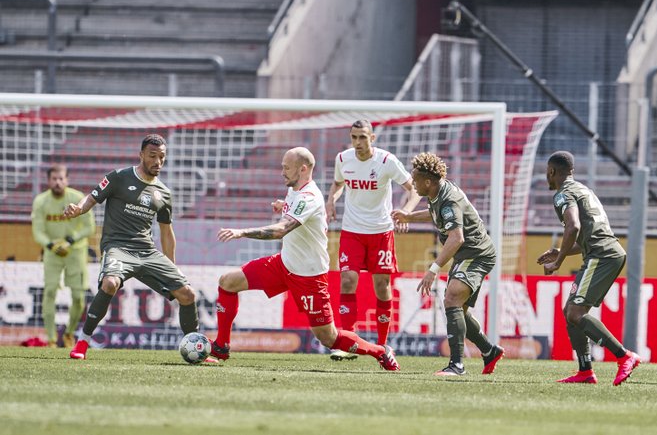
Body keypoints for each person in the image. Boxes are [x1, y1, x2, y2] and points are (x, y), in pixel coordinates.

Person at [210, 147, 400, 371]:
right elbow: (297, 211)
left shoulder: (309, 197)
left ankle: (380, 351)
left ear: (302, 169)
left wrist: (242, 232)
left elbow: (281, 230)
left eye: (286, 168)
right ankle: (220, 346)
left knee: (329, 338)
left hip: (309, 277)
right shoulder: (295, 190)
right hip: (283, 264)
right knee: (228, 282)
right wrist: (285, 205)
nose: (282, 172)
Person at [64, 134, 202, 360]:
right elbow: (92, 196)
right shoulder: (119, 177)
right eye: (152, 156)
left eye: (162, 157)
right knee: (110, 283)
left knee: (187, 294)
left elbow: (167, 232)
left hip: (147, 252)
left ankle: (196, 348)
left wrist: (171, 268)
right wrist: (79, 209)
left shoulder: (164, 193)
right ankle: (83, 342)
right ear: (141, 155)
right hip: (118, 247)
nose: (158, 162)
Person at [391, 152, 504, 376]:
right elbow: (436, 213)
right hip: (466, 254)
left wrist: (433, 270)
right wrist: (409, 216)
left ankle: (457, 365)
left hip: (476, 253)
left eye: (415, 180)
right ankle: (488, 351)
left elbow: (456, 237)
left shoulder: (448, 200)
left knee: (451, 297)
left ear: (427, 182)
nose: (413, 184)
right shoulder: (437, 192)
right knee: (458, 308)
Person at [537, 151, 640, 385]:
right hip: (604, 251)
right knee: (570, 311)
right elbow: (588, 235)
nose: (547, 176)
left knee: (575, 312)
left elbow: (572, 226)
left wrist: (558, 261)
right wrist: (559, 251)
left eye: (547, 172)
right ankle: (585, 371)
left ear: (552, 171)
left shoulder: (563, 194)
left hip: (601, 255)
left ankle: (624, 356)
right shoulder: (583, 189)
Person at [325, 119, 421, 361]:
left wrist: (407, 211)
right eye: (354, 137)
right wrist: (331, 200)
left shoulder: (386, 161)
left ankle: (382, 346)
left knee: (381, 286)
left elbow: (414, 189)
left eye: (362, 137)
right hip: (352, 231)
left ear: (372, 138)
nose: (357, 143)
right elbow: (338, 183)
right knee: (347, 281)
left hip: (381, 232)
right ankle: (348, 342)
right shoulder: (343, 159)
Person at [31, 164, 95, 349]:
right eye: (54, 179)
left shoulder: (77, 199)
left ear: (67, 180)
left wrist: (70, 240)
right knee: (49, 291)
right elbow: (38, 232)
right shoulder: (40, 202)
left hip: (75, 252)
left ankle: (68, 334)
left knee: (78, 296)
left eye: (61, 179)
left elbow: (89, 228)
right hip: (52, 253)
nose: (58, 182)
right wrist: (51, 245)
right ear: (48, 180)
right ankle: (51, 339)